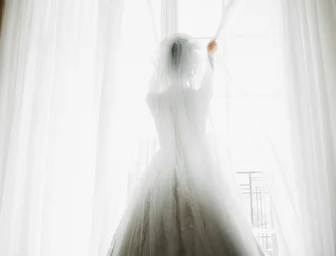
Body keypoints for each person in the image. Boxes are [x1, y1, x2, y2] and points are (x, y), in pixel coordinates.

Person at [107, 34, 263, 256]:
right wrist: (210, 57)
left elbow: (153, 92)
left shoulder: (153, 99)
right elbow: (208, 82)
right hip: (197, 167)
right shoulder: (198, 96)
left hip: (163, 168)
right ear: (189, 64)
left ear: (165, 64)